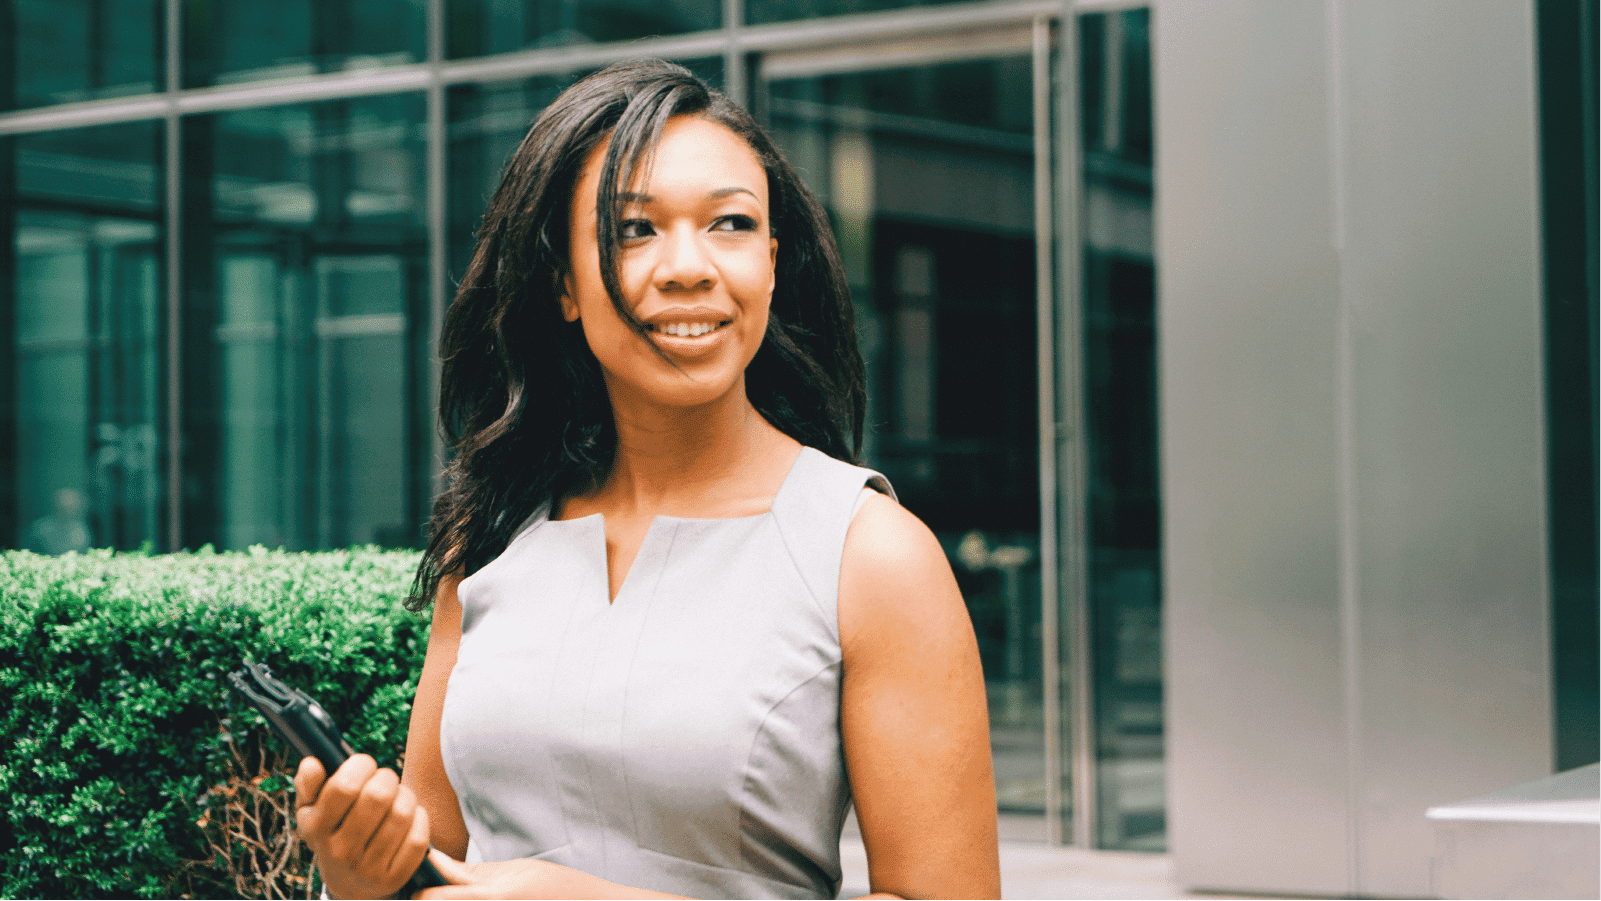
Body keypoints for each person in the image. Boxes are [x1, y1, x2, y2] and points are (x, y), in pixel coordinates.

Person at [292, 58, 1000, 900]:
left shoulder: (870, 554)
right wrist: (359, 875)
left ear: (771, 265)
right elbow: (435, 864)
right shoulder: (490, 539)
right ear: (563, 283)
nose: (689, 266)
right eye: (633, 229)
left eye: (730, 223)